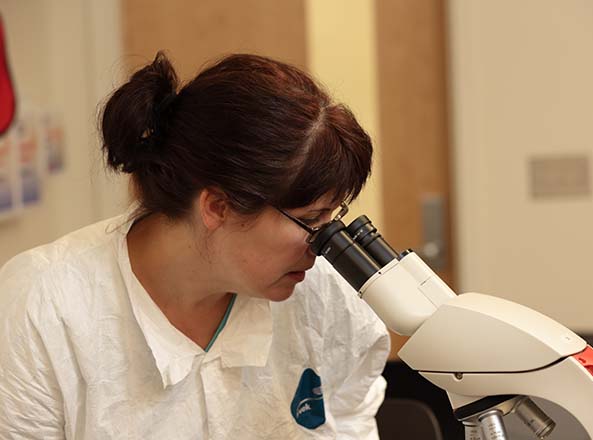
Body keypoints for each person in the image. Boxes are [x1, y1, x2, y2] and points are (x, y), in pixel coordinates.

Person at [0, 52, 390, 439]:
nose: (323, 245)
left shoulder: (321, 295)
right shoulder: (45, 305)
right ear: (217, 206)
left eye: (331, 217)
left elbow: (349, 419)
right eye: (308, 221)